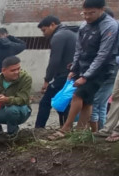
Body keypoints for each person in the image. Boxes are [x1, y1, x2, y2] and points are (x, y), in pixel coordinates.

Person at [50, 0, 119, 139]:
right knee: (87, 101)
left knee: (78, 95)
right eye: (85, 13)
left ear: (102, 10)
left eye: (91, 13)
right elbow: (79, 49)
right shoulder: (84, 25)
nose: (87, 17)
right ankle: (81, 132)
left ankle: (66, 128)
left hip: (102, 68)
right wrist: (74, 68)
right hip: (84, 64)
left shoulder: (109, 26)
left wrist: (86, 76)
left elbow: (103, 54)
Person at [35, 15, 77, 129]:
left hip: (64, 75)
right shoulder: (71, 33)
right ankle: (65, 128)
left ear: (52, 25)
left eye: (44, 30)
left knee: (45, 102)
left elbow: (55, 60)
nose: (44, 33)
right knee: (62, 103)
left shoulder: (58, 36)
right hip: (72, 74)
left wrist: (47, 80)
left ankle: (38, 129)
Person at [91, 7, 117, 131]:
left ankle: (97, 132)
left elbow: (104, 53)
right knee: (102, 103)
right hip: (112, 69)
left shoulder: (110, 29)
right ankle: (102, 129)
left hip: (108, 69)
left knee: (95, 102)